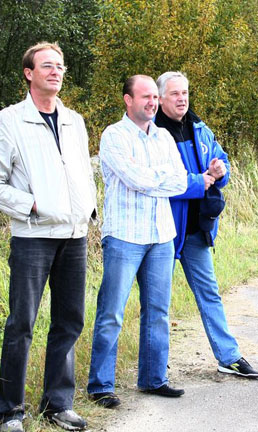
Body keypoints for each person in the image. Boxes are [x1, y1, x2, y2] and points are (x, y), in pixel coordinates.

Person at [0, 42, 97, 432]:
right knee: (21, 324)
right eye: (47, 66)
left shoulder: (74, 121)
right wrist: (31, 205)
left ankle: (58, 403)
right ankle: (9, 411)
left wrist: (89, 209)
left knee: (69, 321)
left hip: (74, 236)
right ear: (29, 73)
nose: (56, 71)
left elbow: (82, 172)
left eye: (60, 66)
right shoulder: (9, 121)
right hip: (33, 236)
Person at [87, 75, 188, 408]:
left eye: (155, 97)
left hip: (161, 235)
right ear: (128, 100)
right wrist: (159, 178)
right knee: (112, 312)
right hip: (124, 236)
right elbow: (134, 179)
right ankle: (101, 386)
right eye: (145, 96)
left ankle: (153, 379)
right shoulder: (113, 136)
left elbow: (180, 183)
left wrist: (152, 179)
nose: (152, 102)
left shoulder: (163, 136)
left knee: (158, 311)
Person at [153, 72, 258, 378]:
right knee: (158, 302)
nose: (182, 99)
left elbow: (221, 163)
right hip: (163, 231)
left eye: (185, 93)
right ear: (160, 99)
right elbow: (158, 182)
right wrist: (199, 182)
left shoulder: (200, 129)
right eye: (175, 94)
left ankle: (229, 357)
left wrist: (220, 171)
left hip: (196, 231)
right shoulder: (152, 132)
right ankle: (156, 365)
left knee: (210, 294)